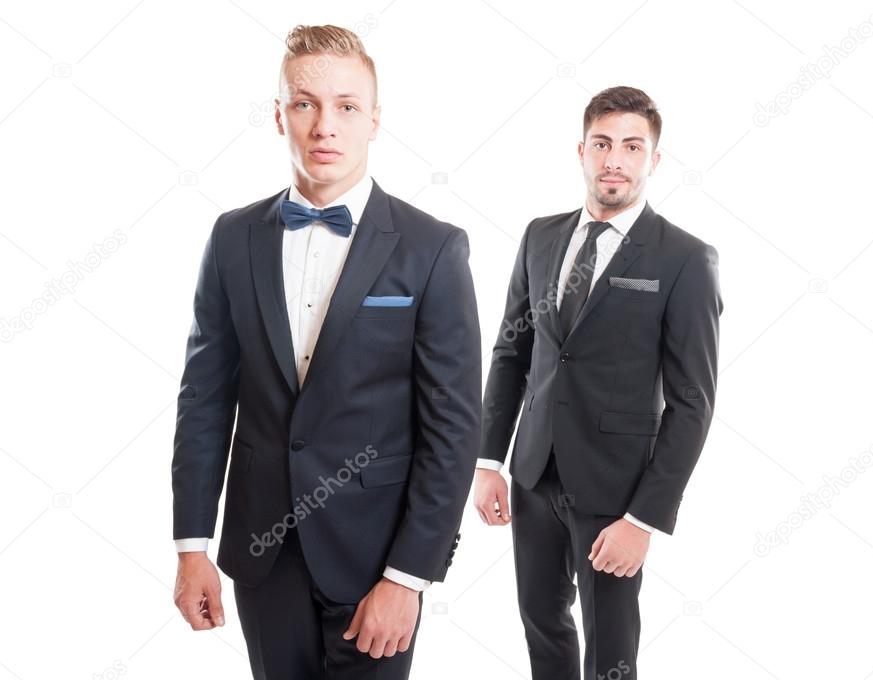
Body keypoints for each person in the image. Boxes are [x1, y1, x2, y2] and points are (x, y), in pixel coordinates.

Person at [171, 24, 481, 680]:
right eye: (306, 104)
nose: (324, 126)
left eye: (346, 106)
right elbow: (203, 401)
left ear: (374, 121)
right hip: (263, 554)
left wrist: (409, 576)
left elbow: (453, 430)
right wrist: (191, 544)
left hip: (377, 557)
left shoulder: (433, 249)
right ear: (280, 115)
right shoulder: (232, 238)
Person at [473, 85, 723, 679]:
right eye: (603, 144)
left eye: (632, 147)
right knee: (541, 622)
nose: (615, 160)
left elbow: (694, 402)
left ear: (653, 161)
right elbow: (512, 351)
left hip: (616, 493)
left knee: (611, 648)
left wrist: (643, 520)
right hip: (532, 473)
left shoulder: (685, 258)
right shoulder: (540, 235)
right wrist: (488, 459)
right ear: (581, 151)